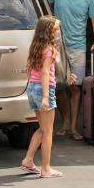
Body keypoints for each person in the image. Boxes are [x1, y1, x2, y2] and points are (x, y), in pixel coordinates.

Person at [46, 0, 94, 140]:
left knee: (75, 88)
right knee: (61, 87)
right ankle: (64, 123)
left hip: (77, 48)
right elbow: (42, 6)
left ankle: (73, 127)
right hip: (57, 46)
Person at [19, 16, 64, 178]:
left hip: (32, 88)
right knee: (48, 132)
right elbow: (45, 72)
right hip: (44, 89)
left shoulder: (36, 47)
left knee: (42, 128)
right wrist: (46, 96)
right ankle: (46, 168)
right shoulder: (50, 49)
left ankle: (28, 160)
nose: (58, 32)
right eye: (56, 29)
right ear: (49, 32)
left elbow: (30, 68)